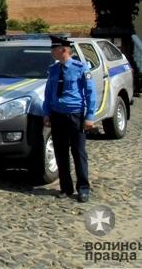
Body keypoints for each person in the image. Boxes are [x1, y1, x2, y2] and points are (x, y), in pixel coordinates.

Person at [43, 35, 96, 203]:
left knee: (78, 152)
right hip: (57, 115)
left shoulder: (80, 68)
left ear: (63, 50)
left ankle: (83, 188)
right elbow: (48, 93)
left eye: (54, 48)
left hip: (75, 115)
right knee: (61, 152)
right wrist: (46, 113)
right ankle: (66, 188)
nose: (52, 51)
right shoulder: (53, 70)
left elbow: (90, 93)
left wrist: (89, 117)